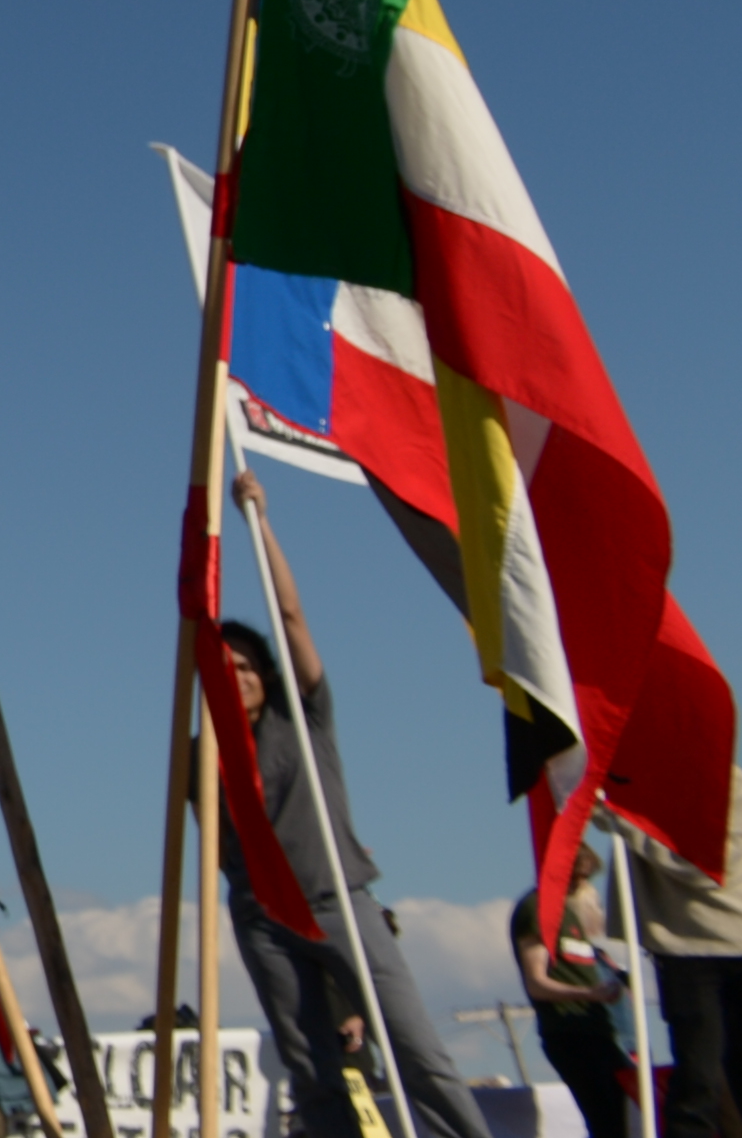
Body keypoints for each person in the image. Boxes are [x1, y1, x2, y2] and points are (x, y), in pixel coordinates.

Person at [213, 479, 495, 1138]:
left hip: (333, 898)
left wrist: (259, 523)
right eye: (224, 668)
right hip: (263, 917)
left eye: (248, 665)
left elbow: (290, 620)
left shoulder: (300, 718)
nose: (239, 675)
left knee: (416, 1051)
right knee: (311, 1069)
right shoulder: (205, 751)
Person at [629, 759, 742, 1138]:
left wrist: (626, 822)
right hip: (682, 949)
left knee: (739, 1070)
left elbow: (720, 860)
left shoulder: (726, 773)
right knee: (698, 1081)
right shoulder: (633, 779)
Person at [513, 849, 635, 1138]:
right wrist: (589, 993)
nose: (583, 887)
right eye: (579, 879)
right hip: (570, 1031)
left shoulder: (570, 914)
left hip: (602, 1031)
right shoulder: (537, 908)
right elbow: (537, 982)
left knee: (621, 1119)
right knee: (605, 1120)